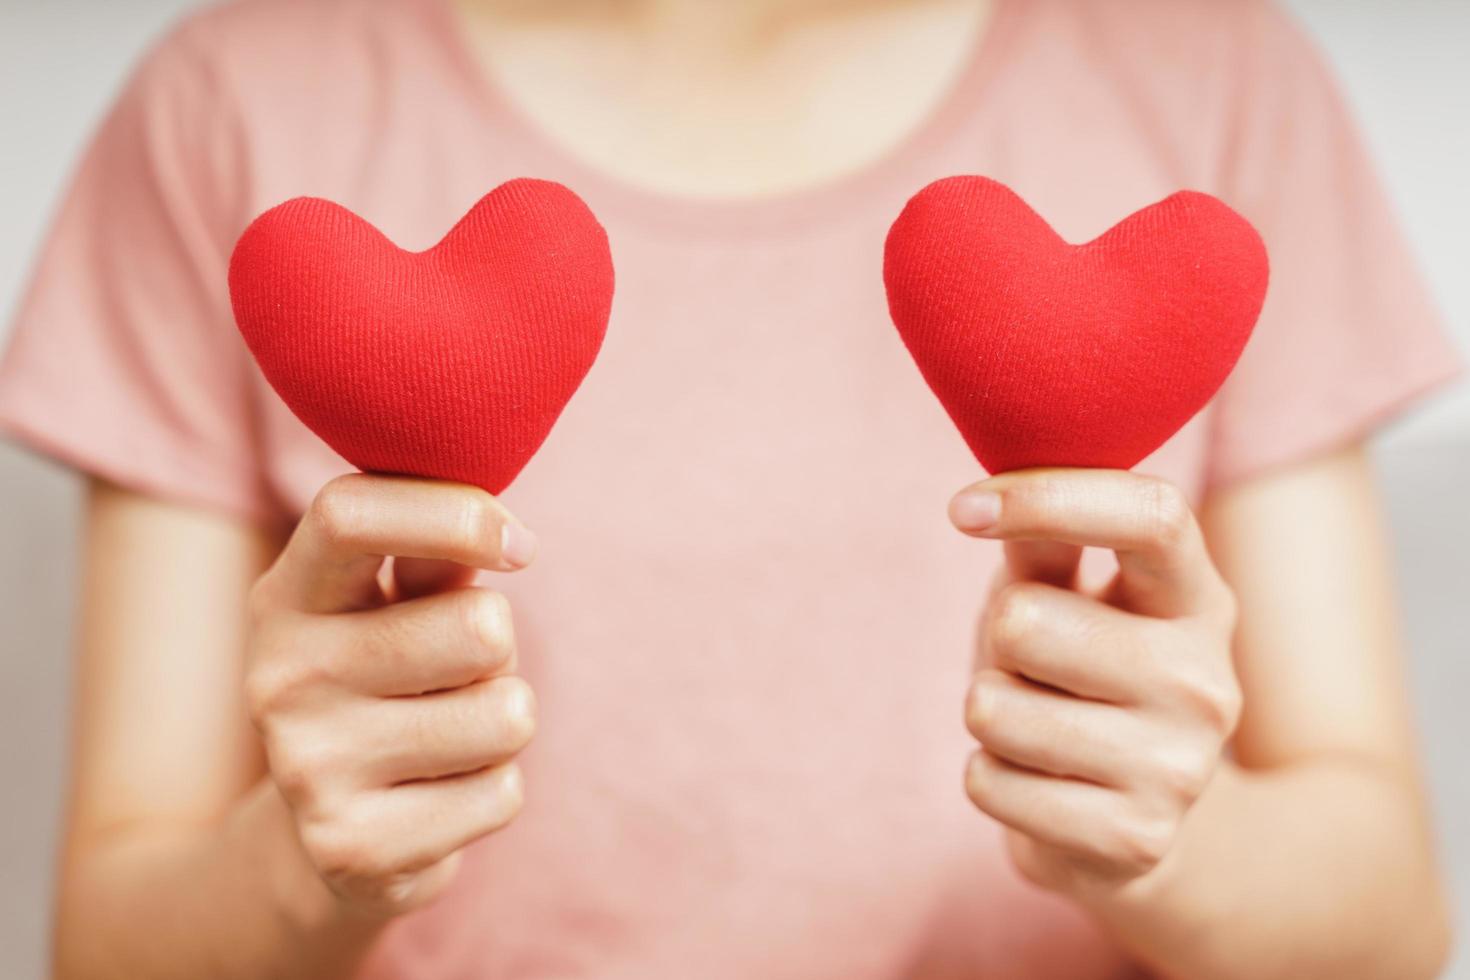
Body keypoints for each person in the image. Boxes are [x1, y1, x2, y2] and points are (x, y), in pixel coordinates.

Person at [0, 0, 1460, 977]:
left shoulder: (1210, 72)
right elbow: (109, 936)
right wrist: (306, 871)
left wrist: (1169, 845)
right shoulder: (229, 99)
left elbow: (1391, 921)